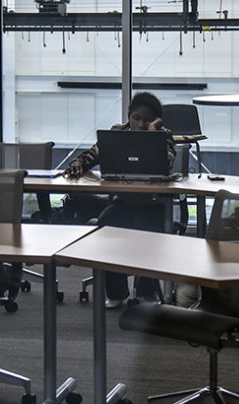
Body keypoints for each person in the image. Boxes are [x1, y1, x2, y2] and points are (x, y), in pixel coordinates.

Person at [64, 92, 175, 308]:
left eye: (147, 120)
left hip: (155, 203)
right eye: (136, 118)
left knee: (148, 227)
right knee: (107, 223)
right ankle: (116, 292)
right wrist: (78, 164)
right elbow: (91, 155)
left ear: (156, 120)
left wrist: (153, 134)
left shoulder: (164, 136)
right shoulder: (117, 134)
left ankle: (147, 292)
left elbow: (167, 161)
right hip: (124, 202)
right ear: (128, 115)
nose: (140, 124)